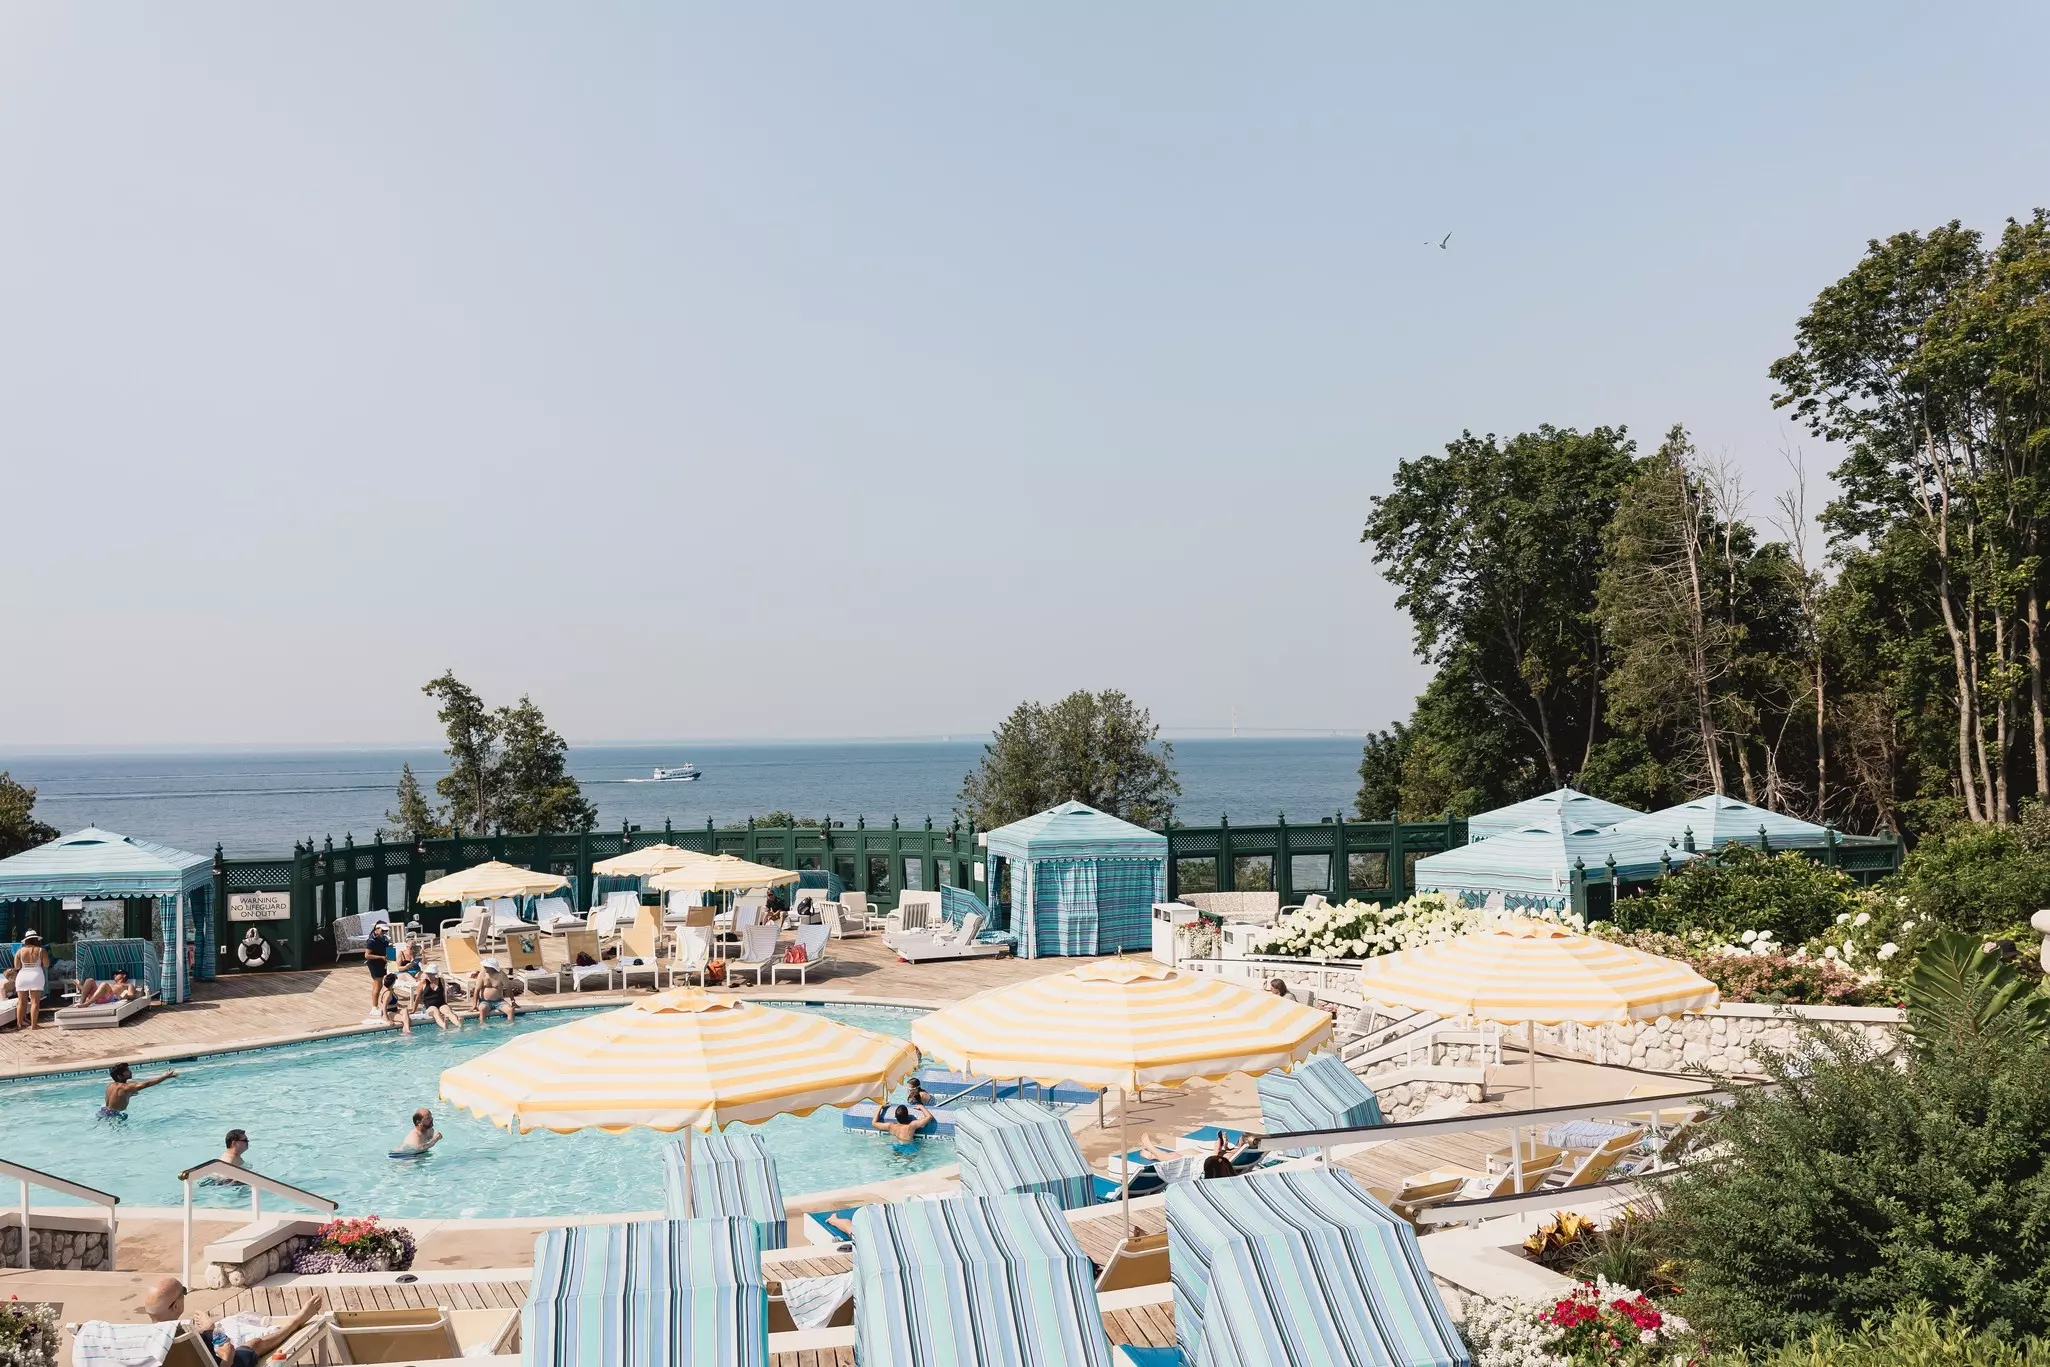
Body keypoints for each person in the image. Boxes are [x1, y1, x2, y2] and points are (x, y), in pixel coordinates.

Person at [143, 1276, 325, 1367]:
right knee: (254, 1344)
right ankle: (297, 1321)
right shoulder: (186, 1339)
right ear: (175, 1307)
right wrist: (212, 1333)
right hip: (221, 1363)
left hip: (202, 1354)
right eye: (183, 1291)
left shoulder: (143, 1339)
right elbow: (226, 1355)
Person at [101, 1062, 178, 1117]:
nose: (130, 1072)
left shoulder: (110, 1086)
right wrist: (165, 1076)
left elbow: (117, 1098)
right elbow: (147, 1084)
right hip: (115, 1117)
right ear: (120, 1076)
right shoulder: (126, 1087)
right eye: (127, 1071)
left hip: (103, 1112)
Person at [12, 930, 49, 1030]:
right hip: (36, 975)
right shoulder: (41, 950)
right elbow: (46, 964)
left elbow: (17, 966)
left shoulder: (19, 951)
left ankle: (19, 1024)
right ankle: (34, 1025)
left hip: (23, 975)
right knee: (35, 1002)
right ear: (36, 939)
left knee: (21, 1002)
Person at [470, 958, 516, 1024]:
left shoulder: (502, 975)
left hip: (499, 1001)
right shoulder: (482, 974)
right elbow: (477, 990)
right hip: (484, 1001)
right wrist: (474, 1005)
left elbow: (508, 988)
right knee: (482, 1009)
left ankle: (510, 1026)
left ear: (492, 968)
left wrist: (513, 1001)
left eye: (486, 967)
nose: (484, 968)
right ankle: (482, 1025)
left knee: (510, 1010)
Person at [365, 922, 392, 1008]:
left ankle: (388, 1002)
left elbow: (386, 948)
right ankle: (374, 1006)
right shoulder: (371, 941)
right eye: (383, 931)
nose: (384, 933)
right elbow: (367, 955)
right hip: (374, 963)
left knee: (387, 982)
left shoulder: (384, 938)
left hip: (383, 962)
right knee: (378, 984)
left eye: (386, 931)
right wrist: (380, 957)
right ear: (377, 929)